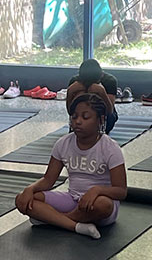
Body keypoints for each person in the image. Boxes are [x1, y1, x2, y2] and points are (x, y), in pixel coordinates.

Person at [14, 93, 126, 240]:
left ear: (101, 120)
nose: (78, 121)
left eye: (85, 117)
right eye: (74, 117)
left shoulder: (110, 148)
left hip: (97, 203)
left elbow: (121, 191)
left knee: (103, 205)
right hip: (72, 200)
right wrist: (30, 189)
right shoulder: (63, 143)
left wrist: (96, 190)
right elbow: (48, 180)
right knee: (22, 200)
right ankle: (76, 226)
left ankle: (55, 220)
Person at [66, 57, 118, 134]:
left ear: (101, 76)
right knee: (80, 95)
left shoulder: (109, 81)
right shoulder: (75, 82)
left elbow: (109, 111)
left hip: (106, 116)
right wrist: (70, 93)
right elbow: (70, 111)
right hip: (81, 116)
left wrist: (102, 93)